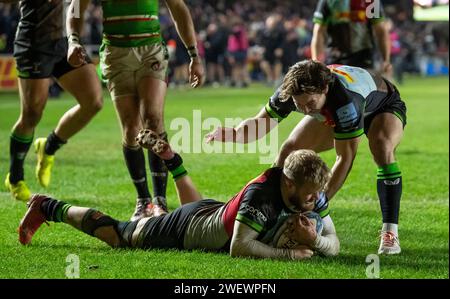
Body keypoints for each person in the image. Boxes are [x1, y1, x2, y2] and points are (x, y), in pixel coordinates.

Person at [18, 130, 339, 260]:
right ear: (288, 184)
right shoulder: (262, 196)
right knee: (120, 235)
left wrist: (316, 242)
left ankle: (173, 163)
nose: (315, 202)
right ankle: (48, 206)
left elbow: (333, 243)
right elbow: (239, 248)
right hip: (187, 227)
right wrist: (289, 254)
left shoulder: (311, 188)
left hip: (213, 213)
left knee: (208, 216)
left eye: (316, 197)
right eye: (310, 196)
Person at [206, 60, 406, 255]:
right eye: (299, 105)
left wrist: (316, 205)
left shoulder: (344, 102)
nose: (306, 111)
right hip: (331, 109)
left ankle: (390, 231)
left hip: (382, 107)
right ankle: (272, 214)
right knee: (289, 149)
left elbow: (345, 159)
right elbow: (260, 125)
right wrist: (234, 133)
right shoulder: (289, 92)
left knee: (381, 148)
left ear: (325, 88)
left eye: (310, 103)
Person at [67, 0, 205, 221]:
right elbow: (75, 6)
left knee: (153, 118)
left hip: (150, 50)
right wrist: (73, 41)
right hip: (115, 53)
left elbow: (179, 8)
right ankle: (143, 201)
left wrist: (194, 55)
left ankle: (160, 201)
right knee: (131, 128)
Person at [3, 0, 103, 202]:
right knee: (31, 115)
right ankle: (15, 177)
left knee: (93, 101)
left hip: (66, 41)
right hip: (35, 43)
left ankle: (48, 147)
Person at [311, 0, 392, 76]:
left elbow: (319, 32)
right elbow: (380, 31)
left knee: (337, 89)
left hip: (339, 59)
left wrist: (315, 61)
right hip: (362, 59)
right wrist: (386, 60)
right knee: (363, 89)